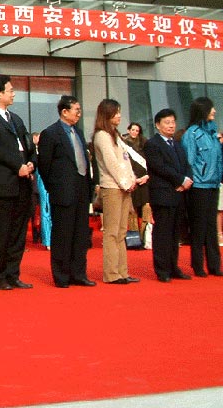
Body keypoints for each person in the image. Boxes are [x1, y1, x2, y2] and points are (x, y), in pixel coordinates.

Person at [0, 75, 36, 290]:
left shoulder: (16, 119)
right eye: (10, 90)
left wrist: (31, 163)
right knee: (0, 232)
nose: (13, 94)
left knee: (18, 232)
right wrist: (17, 166)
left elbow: (28, 145)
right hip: (3, 184)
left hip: (23, 183)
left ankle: (13, 273)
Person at [37, 96, 95, 288]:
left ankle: (79, 273)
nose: (79, 113)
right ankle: (61, 275)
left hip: (81, 190)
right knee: (63, 235)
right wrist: (54, 187)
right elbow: (44, 165)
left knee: (80, 235)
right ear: (64, 111)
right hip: (62, 192)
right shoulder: (51, 133)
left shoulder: (78, 132)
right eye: (76, 110)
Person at [92, 99, 139, 285]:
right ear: (107, 114)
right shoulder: (102, 135)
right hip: (112, 187)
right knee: (111, 232)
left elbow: (125, 160)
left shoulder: (116, 134)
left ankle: (122, 271)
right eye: (115, 112)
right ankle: (111, 273)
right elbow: (111, 163)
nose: (119, 115)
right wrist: (126, 182)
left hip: (124, 186)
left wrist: (132, 179)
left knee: (121, 231)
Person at [144, 108, 194, 282]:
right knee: (162, 233)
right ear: (158, 125)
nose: (171, 125)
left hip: (178, 195)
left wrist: (187, 179)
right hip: (163, 194)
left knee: (175, 234)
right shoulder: (153, 144)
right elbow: (159, 167)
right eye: (167, 122)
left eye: (173, 122)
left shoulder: (177, 144)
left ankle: (174, 267)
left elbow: (186, 164)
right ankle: (162, 270)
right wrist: (180, 180)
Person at [181, 98, 223, 277]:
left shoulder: (212, 133)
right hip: (198, 185)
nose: (214, 111)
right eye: (211, 108)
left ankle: (215, 265)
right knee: (198, 226)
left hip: (213, 184)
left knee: (212, 226)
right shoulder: (192, 133)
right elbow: (189, 161)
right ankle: (197, 265)